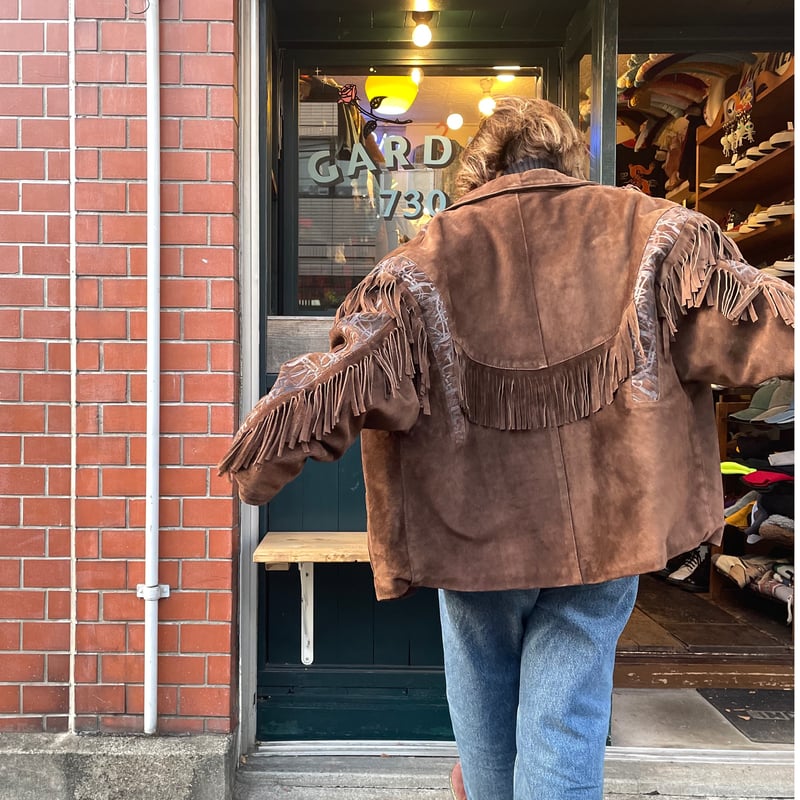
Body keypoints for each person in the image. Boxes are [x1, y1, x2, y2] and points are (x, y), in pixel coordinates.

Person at [219, 97, 794, 800]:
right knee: (569, 715)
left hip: (473, 534)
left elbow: (349, 376)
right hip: (608, 527)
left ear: (479, 168)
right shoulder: (656, 233)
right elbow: (754, 322)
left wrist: (260, 463)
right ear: (566, 159)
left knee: (484, 717)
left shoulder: (420, 261)